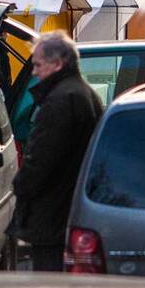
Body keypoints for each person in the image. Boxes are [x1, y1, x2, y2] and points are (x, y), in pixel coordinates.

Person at [11, 32, 103, 271]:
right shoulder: (79, 92)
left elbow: (41, 159)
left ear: (58, 64)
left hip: (54, 211)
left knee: (50, 282)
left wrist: (20, 185)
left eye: (38, 65)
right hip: (66, 205)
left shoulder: (60, 100)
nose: (34, 72)